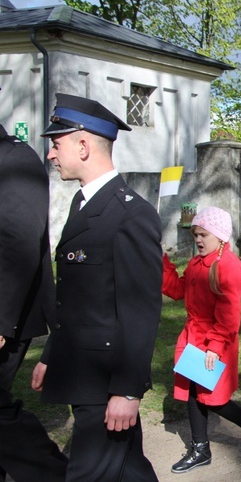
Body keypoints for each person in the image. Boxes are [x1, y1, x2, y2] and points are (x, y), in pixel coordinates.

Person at [31, 93, 162, 481]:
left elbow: (140, 310)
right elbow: (76, 298)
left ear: (84, 145)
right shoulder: (84, 203)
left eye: (57, 144)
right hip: (83, 371)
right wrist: (52, 352)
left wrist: (127, 391)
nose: (52, 155)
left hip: (105, 381)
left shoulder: (130, 214)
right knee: (130, 471)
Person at [162, 206, 241, 473]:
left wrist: (215, 345)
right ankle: (200, 448)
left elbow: (229, 312)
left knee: (213, 398)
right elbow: (178, 290)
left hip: (216, 342)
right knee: (192, 392)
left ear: (220, 237)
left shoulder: (227, 266)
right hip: (194, 339)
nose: (198, 240)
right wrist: (162, 264)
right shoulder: (196, 263)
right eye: (195, 235)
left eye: (203, 235)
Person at [0, 122, 68, 481]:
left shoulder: (15, 159)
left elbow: (19, 242)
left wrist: (1, 318)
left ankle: (54, 475)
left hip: (8, 315)